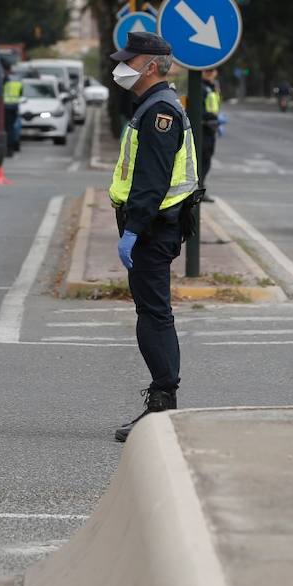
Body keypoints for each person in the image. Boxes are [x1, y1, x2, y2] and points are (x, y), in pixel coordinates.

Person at [107, 32, 199, 443]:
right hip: (153, 228)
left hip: (152, 229)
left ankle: (162, 405)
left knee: (154, 315)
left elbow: (151, 180)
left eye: (130, 61)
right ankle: (164, 403)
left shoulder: (159, 111)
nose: (122, 67)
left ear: (150, 67)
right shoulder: (152, 105)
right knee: (153, 312)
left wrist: (132, 230)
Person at [198, 68, 222, 201]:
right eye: (206, 71)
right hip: (202, 127)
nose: (209, 73)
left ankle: (200, 190)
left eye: (212, 71)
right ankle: (197, 193)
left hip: (211, 129)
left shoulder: (214, 87)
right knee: (201, 161)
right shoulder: (201, 87)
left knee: (206, 160)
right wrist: (210, 118)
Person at [2, 66, 23, 154]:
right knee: (11, 128)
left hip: (5, 108)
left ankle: (8, 148)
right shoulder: (18, 81)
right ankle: (11, 148)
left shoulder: (5, 80)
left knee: (6, 128)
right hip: (14, 108)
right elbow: (21, 94)